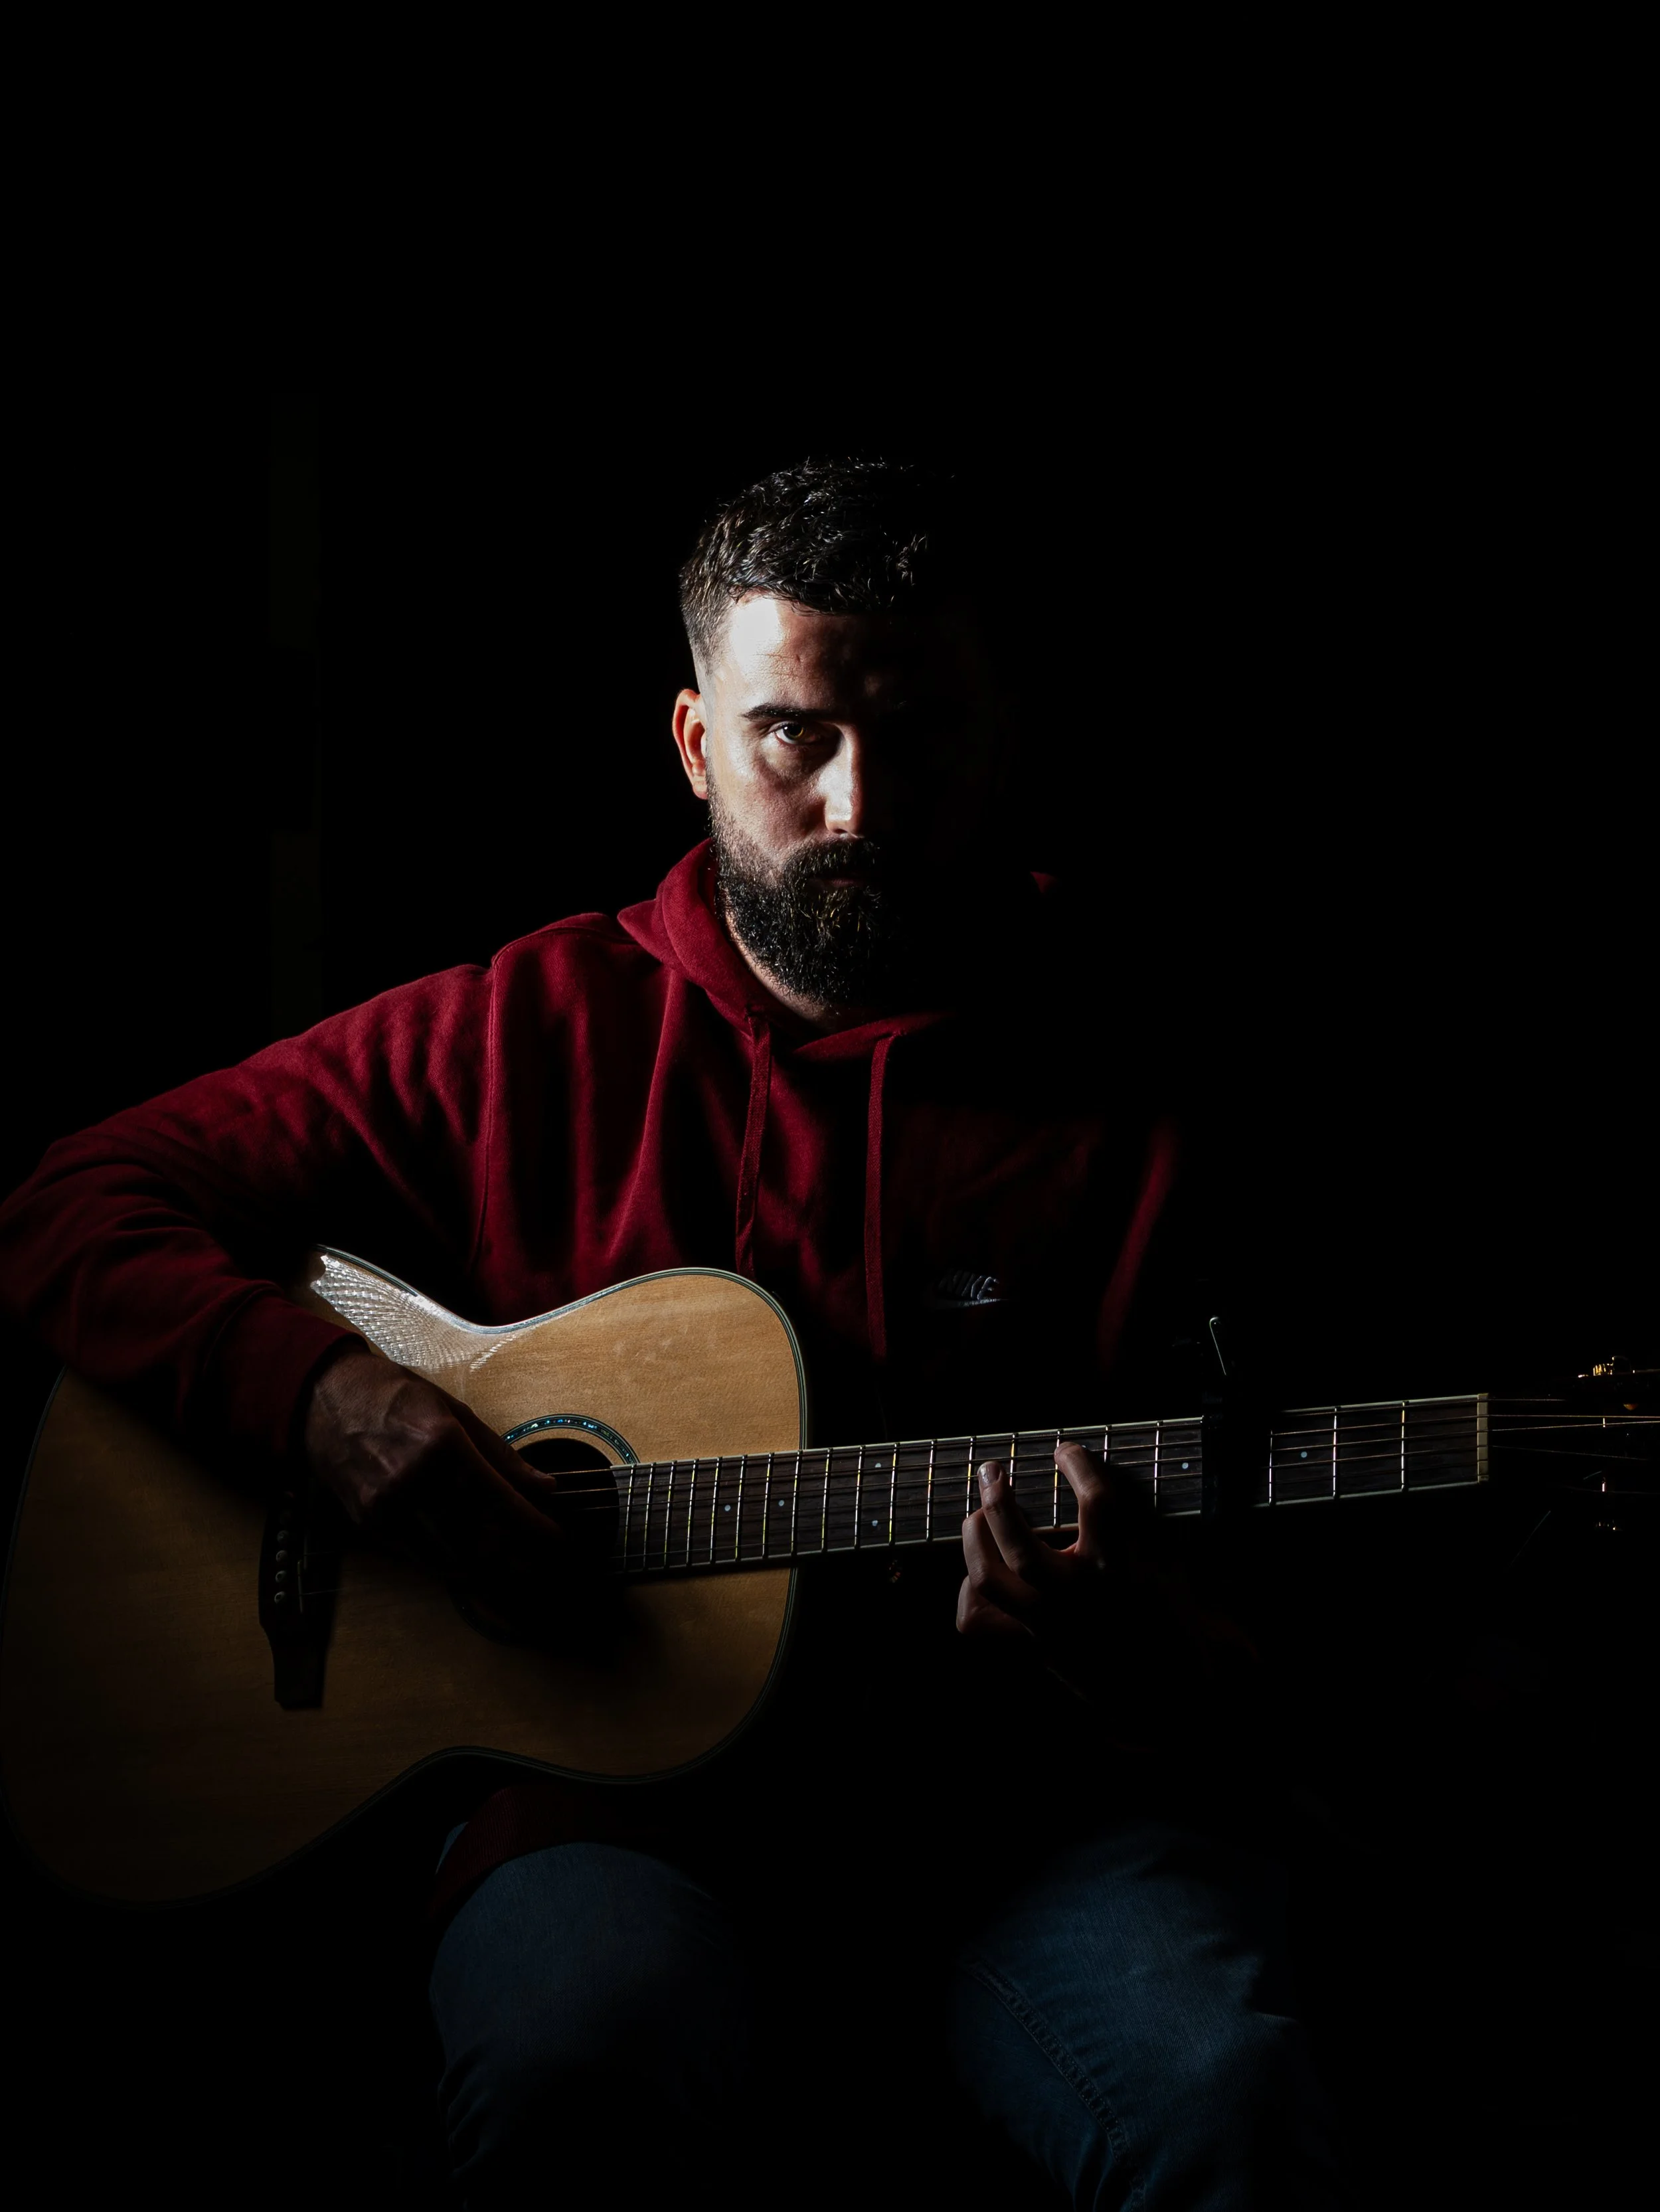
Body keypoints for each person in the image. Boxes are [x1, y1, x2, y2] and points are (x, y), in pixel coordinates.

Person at [0, 460, 1341, 2207]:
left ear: (1007, 735)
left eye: (923, 734)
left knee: (1222, 2089)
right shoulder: (510, 1032)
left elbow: (1312, 1606)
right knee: (575, 2064)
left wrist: (1153, 1649)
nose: (860, 803)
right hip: (605, 1814)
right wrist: (327, 1400)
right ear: (697, 742)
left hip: (1033, 1811)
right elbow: (78, 1199)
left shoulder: (1182, 1077)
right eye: (795, 737)